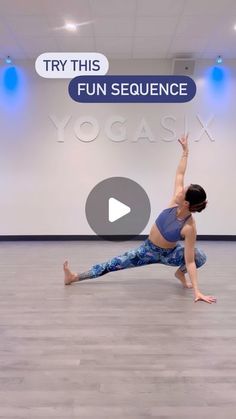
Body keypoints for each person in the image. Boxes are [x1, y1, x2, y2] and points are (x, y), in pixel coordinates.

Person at [63, 134, 216, 304]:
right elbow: (180, 173)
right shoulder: (175, 202)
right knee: (113, 263)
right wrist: (185, 152)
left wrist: (197, 291)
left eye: (183, 191)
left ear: (186, 202)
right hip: (147, 251)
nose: (179, 190)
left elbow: (190, 261)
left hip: (169, 255)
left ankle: (179, 273)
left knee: (199, 256)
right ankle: (74, 277)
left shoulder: (189, 227)